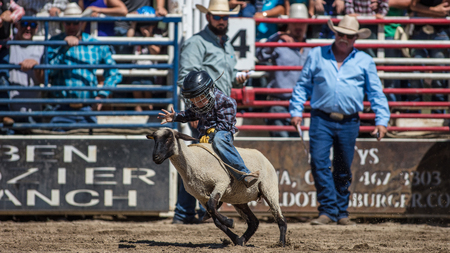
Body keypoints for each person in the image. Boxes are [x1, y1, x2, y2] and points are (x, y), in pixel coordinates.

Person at [289, 15, 390, 225]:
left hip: (349, 121)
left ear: (355, 38)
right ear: (334, 33)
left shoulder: (365, 61)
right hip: (321, 118)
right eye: (341, 34)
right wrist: (296, 110)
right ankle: (330, 210)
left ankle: (339, 212)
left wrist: (382, 120)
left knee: (343, 167)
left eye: (349, 36)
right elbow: (302, 85)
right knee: (319, 163)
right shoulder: (316, 55)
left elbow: (376, 93)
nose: (344, 38)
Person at [174, 0, 250, 224]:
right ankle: (192, 211)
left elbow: (226, 78)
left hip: (218, 110)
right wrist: (195, 112)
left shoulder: (225, 43)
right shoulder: (197, 43)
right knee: (202, 161)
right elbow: (185, 78)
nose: (222, 20)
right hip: (204, 110)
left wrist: (238, 79)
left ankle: (188, 212)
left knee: (199, 161)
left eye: (225, 17)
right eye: (217, 17)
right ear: (208, 17)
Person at [158, 71, 260, 217]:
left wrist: (212, 134)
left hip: (222, 134)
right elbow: (189, 114)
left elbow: (226, 124)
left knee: (218, 141)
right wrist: (175, 116)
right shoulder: (198, 104)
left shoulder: (226, 102)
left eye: (199, 99)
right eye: (193, 100)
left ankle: (243, 173)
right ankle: (206, 203)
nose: (196, 103)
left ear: (209, 91)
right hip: (204, 136)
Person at [46, 3, 122, 129]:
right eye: (68, 23)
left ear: (81, 23)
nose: (72, 26)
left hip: (87, 109)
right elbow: (47, 73)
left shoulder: (95, 45)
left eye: (75, 22)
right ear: (63, 23)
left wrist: (101, 95)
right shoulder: (55, 43)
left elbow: (114, 73)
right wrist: (63, 49)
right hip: (60, 109)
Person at [256, 3, 311, 137]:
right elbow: (260, 54)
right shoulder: (278, 43)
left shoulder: (310, 49)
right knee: (281, 142)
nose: (298, 27)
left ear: (307, 25)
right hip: (278, 103)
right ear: (288, 23)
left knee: (296, 144)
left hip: (299, 106)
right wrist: (277, 36)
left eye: (302, 23)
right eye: (295, 22)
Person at [408, 0, 450, 111]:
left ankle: (439, 112)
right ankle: (414, 112)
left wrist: (421, 12)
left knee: (439, 74)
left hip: (439, 31)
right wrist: (436, 12)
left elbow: (446, 10)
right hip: (424, 30)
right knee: (415, 74)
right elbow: (413, 6)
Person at [8, 20, 44, 127]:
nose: (28, 28)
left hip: (34, 112)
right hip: (10, 114)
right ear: (17, 25)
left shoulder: (41, 47)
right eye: (24, 24)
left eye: (32, 25)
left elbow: (44, 80)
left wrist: (36, 67)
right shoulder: (8, 46)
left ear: (37, 28)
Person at [0, 0, 25, 127]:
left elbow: (20, 10)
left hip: (3, 47)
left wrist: (10, 17)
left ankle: (4, 112)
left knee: (3, 78)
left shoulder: (7, 2)